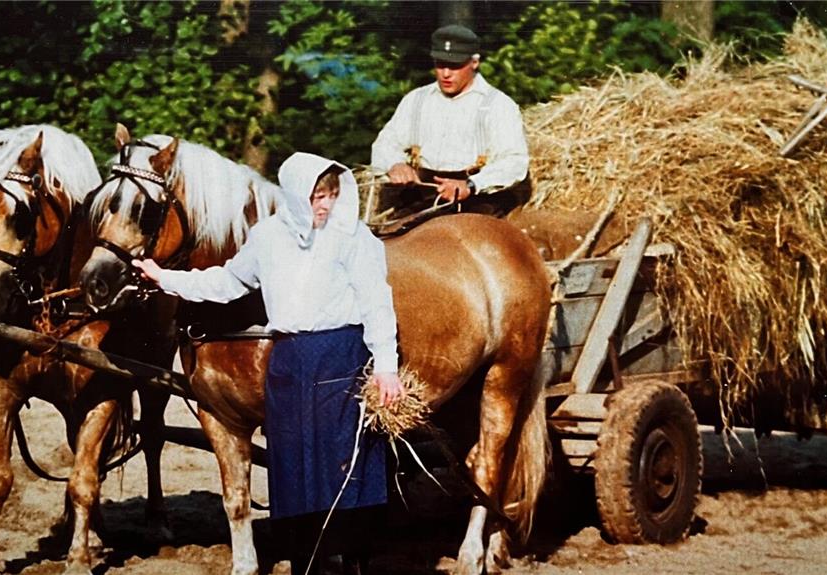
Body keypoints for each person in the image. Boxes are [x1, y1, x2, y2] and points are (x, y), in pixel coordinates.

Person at [133, 152, 402, 575]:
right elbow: (226, 281)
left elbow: (377, 303)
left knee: (339, 464)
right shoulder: (268, 237)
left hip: (341, 356)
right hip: (290, 361)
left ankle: (349, 560)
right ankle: (305, 561)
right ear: (296, 195)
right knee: (293, 463)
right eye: (316, 195)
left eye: (331, 194)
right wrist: (165, 278)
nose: (325, 205)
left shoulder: (355, 238)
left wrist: (385, 366)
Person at [370, 24, 531, 228]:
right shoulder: (416, 100)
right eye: (440, 64)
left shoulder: (498, 105)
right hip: (419, 198)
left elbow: (514, 161)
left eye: (454, 66)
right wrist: (395, 164)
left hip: (476, 202)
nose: (445, 74)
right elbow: (385, 143)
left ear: (474, 62)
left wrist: (472, 185)